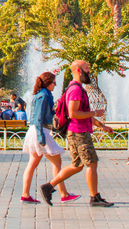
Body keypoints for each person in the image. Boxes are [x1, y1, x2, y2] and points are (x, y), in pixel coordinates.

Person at [39, 60, 115, 208]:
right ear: (79, 71)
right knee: (91, 163)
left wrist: (102, 126)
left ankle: (48, 186)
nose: (89, 71)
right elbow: (74, 113)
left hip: (76, 132)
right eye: (87, 69)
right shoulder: (76, 90)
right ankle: (94, 197)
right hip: (79, 133)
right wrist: (95, 112)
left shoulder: (74, 88)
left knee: (77, 165)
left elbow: (83, 113)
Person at [20, 72, 79, 204]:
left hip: (37, 130)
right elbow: (39, 117)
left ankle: (25, 195)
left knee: (33, 163)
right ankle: (63, 194)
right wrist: (41, 138)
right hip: (40, 131)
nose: (55, 85)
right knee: (56, 161)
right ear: (48, 83)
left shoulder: (43, 94)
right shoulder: (43, 95)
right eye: (53, 82)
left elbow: (45, 114)